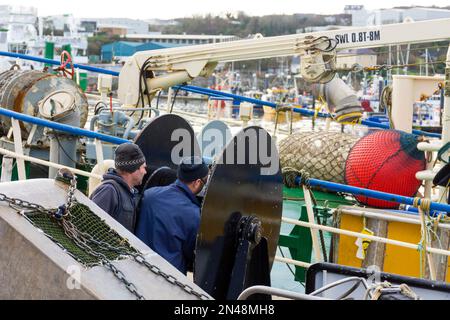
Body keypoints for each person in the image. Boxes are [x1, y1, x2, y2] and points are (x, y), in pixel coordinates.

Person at [135, 156, 209, 275]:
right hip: (169, 277)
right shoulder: (193, 214)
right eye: (205, 182)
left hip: (138, 266)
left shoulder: (150, 195)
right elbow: (191, 254)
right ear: (197, 183)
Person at [90, 143, 147, 233]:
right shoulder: (108, 191)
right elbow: (90, 226)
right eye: (143, 167)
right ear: (134, 169)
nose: (145, 172)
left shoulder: (129, 193)